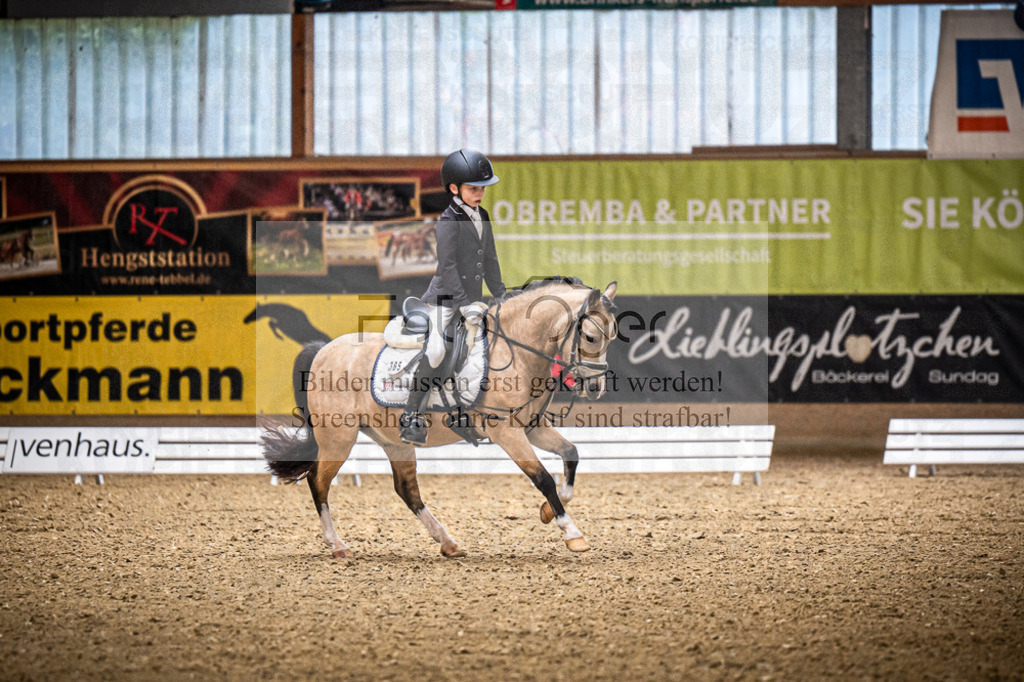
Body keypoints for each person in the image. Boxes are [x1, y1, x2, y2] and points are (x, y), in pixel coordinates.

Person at [399, 149, 507, 445]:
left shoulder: (481, 215)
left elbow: (490, 261)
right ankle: (411, 416)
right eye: (474, 189)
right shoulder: (448, 220)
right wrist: (464, 304)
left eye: (482, 188)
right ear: (454, 188)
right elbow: (447, 267)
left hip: (473, 301)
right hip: (445, 300)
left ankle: (461, 414)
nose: (480, 194)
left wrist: (501, 295)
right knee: (436, 351)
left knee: (477, 353)